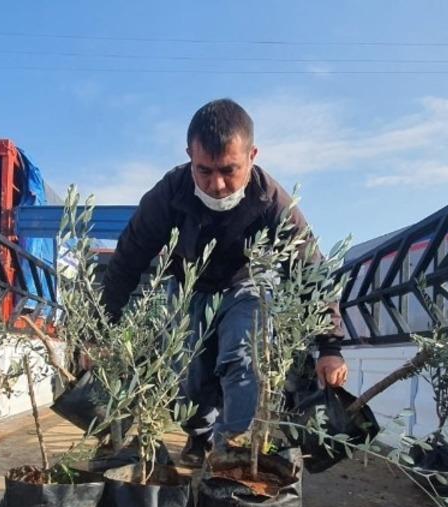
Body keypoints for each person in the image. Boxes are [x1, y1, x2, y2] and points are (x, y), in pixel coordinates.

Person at [99, 98, 348, 466]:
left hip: (246, 283)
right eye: (204, 170)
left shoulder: (271, 201)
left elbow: (310, 269)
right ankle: (199, 436)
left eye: (229, 170)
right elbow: (128, 258)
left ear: (252, 155)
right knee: (188, 377)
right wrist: (102, 330)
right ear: (189, 157)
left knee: (243, 357)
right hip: (189, 287)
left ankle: (231, 447)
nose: (216, 184)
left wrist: (329, 346)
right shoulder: (168, 195)